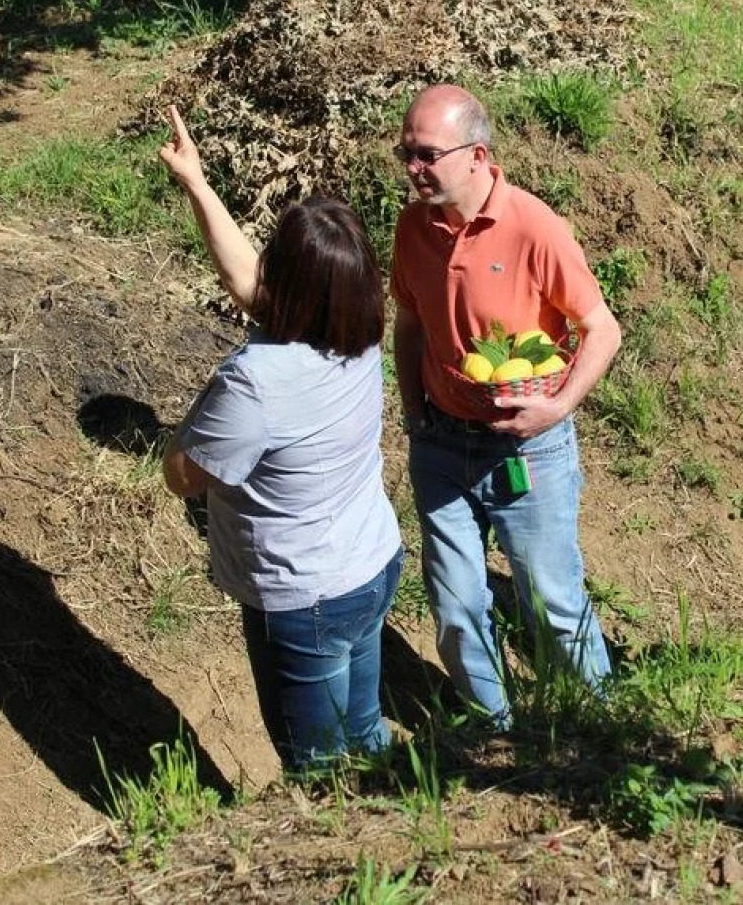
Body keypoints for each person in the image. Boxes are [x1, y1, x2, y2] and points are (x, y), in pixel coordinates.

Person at [158, 106, 402, 772]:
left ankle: (346, 860)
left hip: (305, 599)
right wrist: (197, 184)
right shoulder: (357, 332)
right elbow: (249, 287)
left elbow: (182, 476)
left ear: (290, 285)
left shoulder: (255, 382)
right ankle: (404, 818)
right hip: (370, 564)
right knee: (365, 732)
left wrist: (199, 416)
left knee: (318, 769)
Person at [391, 84, 621, 729]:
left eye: (427, 154)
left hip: (529, 446)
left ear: (476, 154)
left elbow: (602, 328)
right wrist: (414, 410)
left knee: (549, 597)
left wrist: (557, 407)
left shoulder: (533, 226)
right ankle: (494, 730)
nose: (413, 168)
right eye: (405, 153)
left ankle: (605, 728)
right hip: (441, 442)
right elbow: (409, 322)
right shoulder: (414, 228)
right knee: (456, 602)